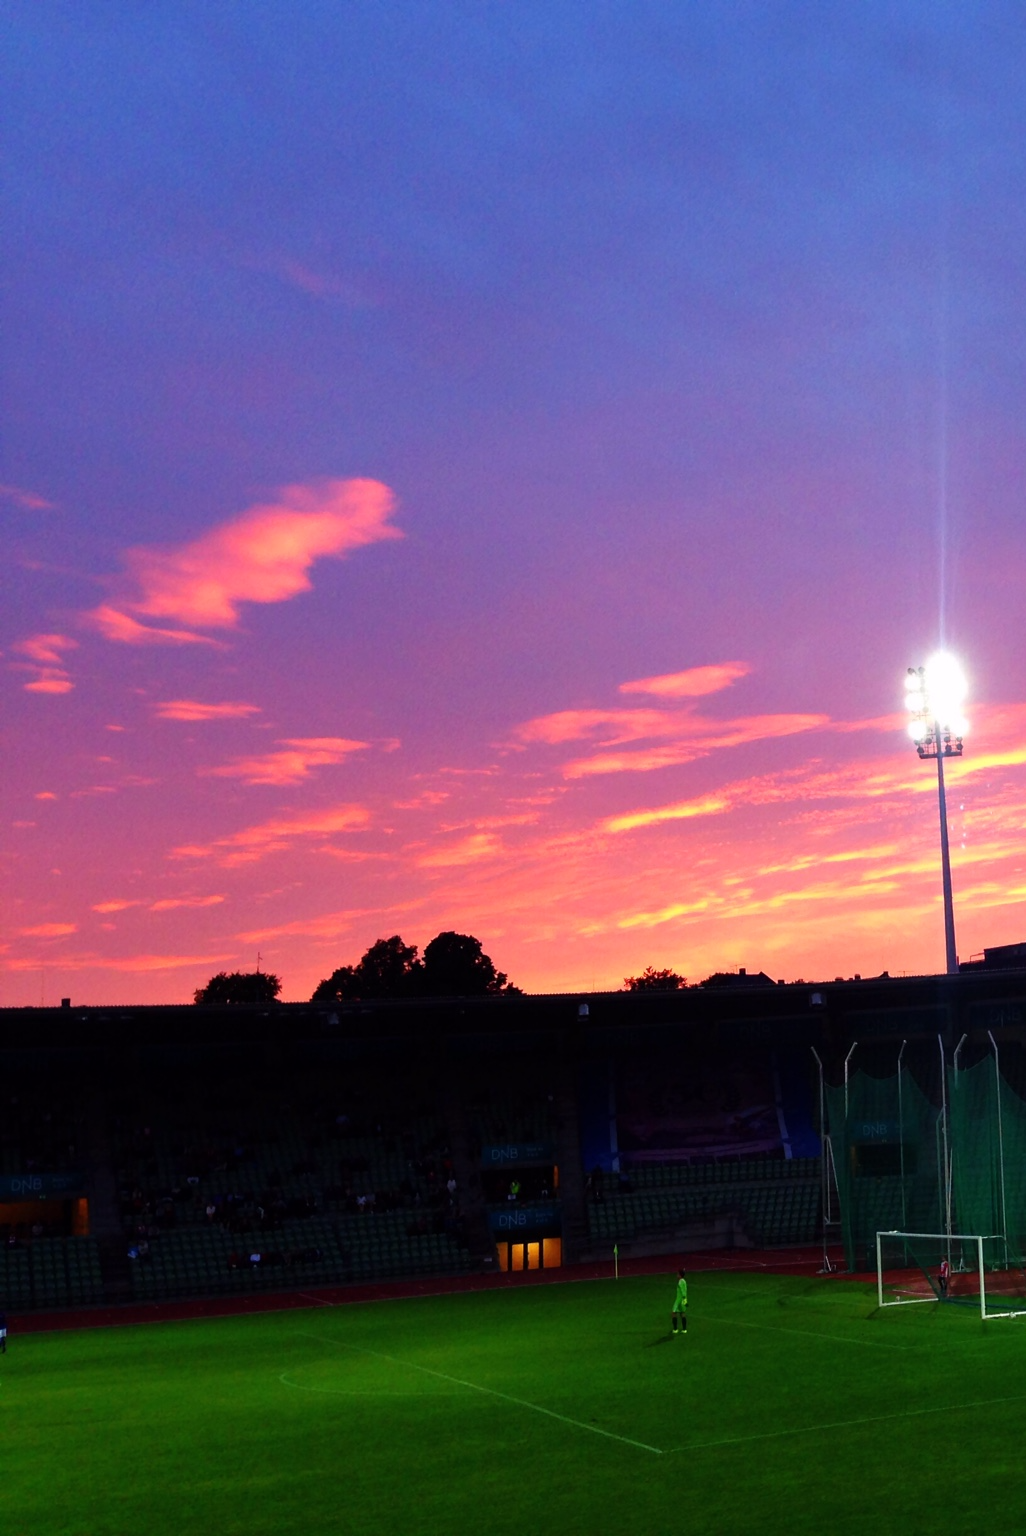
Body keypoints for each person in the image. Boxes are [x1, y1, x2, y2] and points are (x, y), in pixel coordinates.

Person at [671, 1267, 688, 1336]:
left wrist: (683, 1298)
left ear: (680, 1275)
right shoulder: (684, 1281)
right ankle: (684, 1329)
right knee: (682, 1313)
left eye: (677, 1274)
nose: (676, 1275)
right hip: (683, 1300)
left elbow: (683, 1292)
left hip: (679, 1300)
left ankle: (675, 1329)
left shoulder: (680, 1282)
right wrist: (685, 1301)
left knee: (673, 1313)